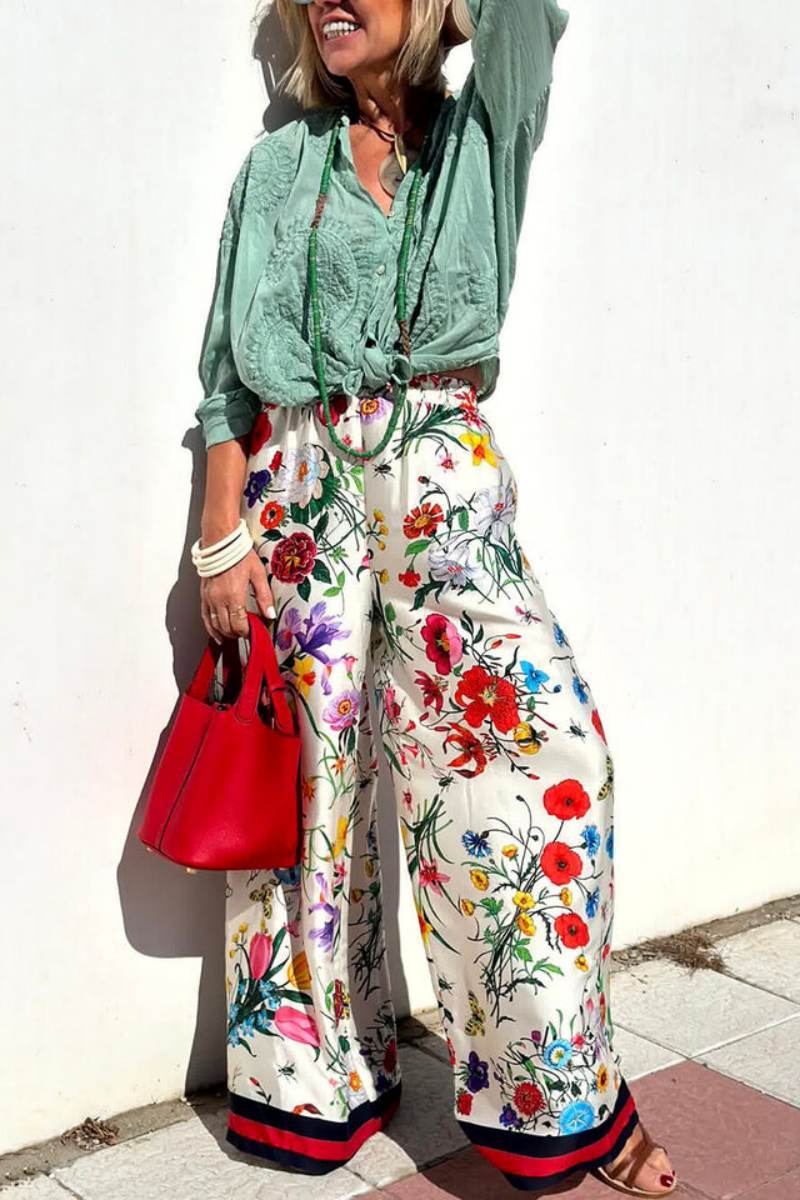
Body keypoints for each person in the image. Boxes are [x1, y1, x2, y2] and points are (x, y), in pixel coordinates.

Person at [191, 0, 676, 1193]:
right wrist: (218, 535)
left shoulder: (483, 132)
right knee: (312, 794)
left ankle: (559, 1094)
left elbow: (526, 17)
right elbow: (224, 378)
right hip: (299, 486)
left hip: (439, 474)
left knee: (544, 757)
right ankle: (311, 1083)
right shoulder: (277, 165)